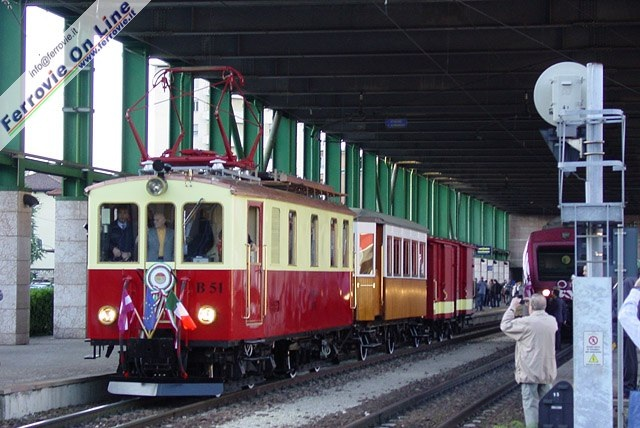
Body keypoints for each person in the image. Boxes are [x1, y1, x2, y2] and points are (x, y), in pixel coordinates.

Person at [501, 293, 558, 428]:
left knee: (531, 405)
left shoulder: (526, 323)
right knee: (548, 404)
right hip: (547, 372)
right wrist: (533, 302)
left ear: (531, 306)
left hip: (530, 372)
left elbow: (505, 325)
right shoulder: (552, 321)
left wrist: (512, 306)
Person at [617, 277, 640, 397]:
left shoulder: (628, 283)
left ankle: (628, 387)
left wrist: (636, 290)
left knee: (629, 359)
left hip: (626, 332)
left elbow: (625, 315)